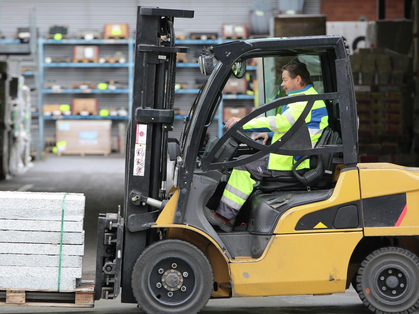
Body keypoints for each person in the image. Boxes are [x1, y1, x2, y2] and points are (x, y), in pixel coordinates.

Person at [204, 58, 329, 232]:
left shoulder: (305, 101)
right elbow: (294, 128)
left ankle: (225, 218)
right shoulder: (305, 99)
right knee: (243, 159)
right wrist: (269, 134)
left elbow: (282, 122)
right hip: (290, 154)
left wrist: (243, 123)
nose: (283, 84)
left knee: (243, 166)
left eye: (285, 80)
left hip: (292, 160)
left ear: (298, 80)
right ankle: (231, 214)